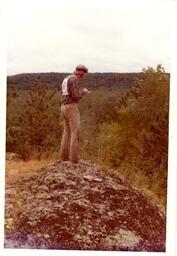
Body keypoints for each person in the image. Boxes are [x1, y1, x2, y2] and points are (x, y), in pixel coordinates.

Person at [59, 64, 90, 163]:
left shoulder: (66, 78)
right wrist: (84, 92)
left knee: (66, 133)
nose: (84, 76)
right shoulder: (74, 79)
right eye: (85, 74)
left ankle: (63, 157)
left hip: (63, 107)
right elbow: (76, 96)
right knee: (74, 133)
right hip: (71, 107)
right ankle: (74, 159)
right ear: (81, 72)